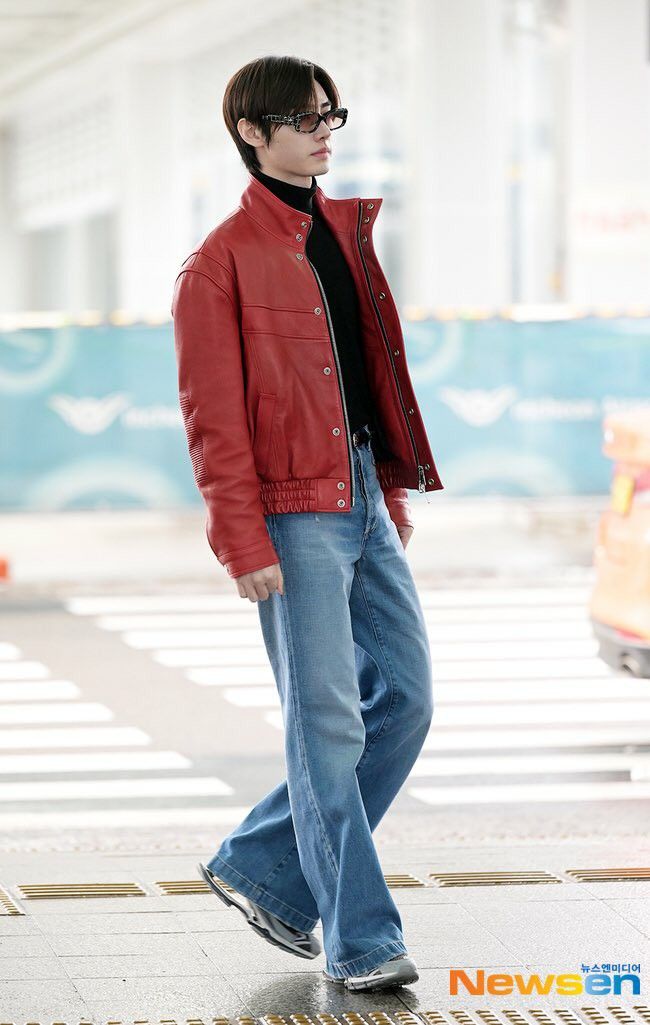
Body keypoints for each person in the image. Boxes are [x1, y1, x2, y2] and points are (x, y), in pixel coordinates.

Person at [171, 54, 444, 993]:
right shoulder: (218, 265)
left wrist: (391, 492)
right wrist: (241, 539)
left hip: (363, 492)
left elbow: (369, 375)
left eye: (332, 112)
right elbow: (214, 416)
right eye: (304, 115)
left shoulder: (344, 233)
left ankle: (263, 867)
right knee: (325, 725)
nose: (326, 128)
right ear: (251, 131)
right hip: (292, 516)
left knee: (405, 699)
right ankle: (361, 938)